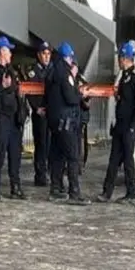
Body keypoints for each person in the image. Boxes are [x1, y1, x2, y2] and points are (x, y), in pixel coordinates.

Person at [98, 41, 135, 205]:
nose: (119, 61)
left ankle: (132, 193)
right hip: (120, 125)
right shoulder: (124, 77)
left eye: (121, 58)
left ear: (127, 58)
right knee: (113, 160)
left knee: (128, 159)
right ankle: (107, 192)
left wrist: (133, 125)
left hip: (129, 126)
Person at [0, 36, 27, 201]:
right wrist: (2, 86)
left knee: (15, 154)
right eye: (9, 50)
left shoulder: (11, 71)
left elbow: (16, 91)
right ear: (2, 51)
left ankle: (16, 187)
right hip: (0, 118)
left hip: (14, 118)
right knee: (0, 153)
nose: (11, 54)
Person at [45, 42, 90, 205]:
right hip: (66, 121)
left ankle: (55, 188)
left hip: (54, 121)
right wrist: (80, 94)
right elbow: (70, 98)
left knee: (57, 155)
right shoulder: (66, 74)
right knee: (72, 156)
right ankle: (74, 192)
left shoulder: (51, 71)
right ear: (68, 57)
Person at [26, 41, 53, 186]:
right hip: (40, 113)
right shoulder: (33, 71)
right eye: (44, 54)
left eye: (49, 54)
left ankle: (48, 172)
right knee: (41, 144)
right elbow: (30, 92)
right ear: (39, 55)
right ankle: (40, 174)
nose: (47, 57)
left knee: (49, 144)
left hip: (50, 112)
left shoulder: (52, 69)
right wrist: (36, 108)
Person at [76, 63, 91, 173]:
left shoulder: (78, 80)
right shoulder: (81, 79)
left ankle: (79, 165)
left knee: (78, 141)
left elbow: (87, 98)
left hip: (80, 116)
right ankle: (79, 164)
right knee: (79, 141)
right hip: (81, 116)